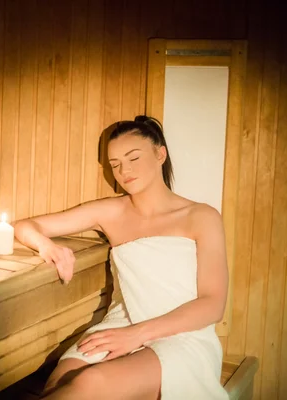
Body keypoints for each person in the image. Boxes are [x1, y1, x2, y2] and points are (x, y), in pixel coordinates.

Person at [13, 116, 230, 399]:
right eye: (115, 164)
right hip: (121, 322)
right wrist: (48, 248)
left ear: (160, 153)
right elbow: (24, 226)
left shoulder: (201, 217)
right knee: (59, 385)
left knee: (92, 383)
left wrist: (138, 335)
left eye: (133, 158)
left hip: (183, 332)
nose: (123, 170)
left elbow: (213, 305)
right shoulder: (110, 213)